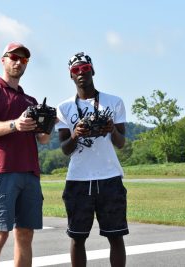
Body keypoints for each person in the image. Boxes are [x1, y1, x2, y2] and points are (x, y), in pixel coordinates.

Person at [0, 42, 50, 267]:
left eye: (24, 60)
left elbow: (43, 140)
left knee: (26, 234)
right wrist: (14, 125)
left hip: (30, 173)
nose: (18, 62)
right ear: (3, 60)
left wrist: (48, 123)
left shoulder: (31, 101)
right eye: (14, 57)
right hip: (3, 171)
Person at [56, 52, 128, 267]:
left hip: (110, 176)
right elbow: (65, 149)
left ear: (93, 70)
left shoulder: (114, 102)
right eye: (75, 70)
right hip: (78, 178)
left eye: (85, 68)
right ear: (70, 75)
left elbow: (121, 142)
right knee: (78, 237)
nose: (81, 73)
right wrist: (76, 134)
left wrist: (111, 129)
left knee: (115, 236)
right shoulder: (64, 108)